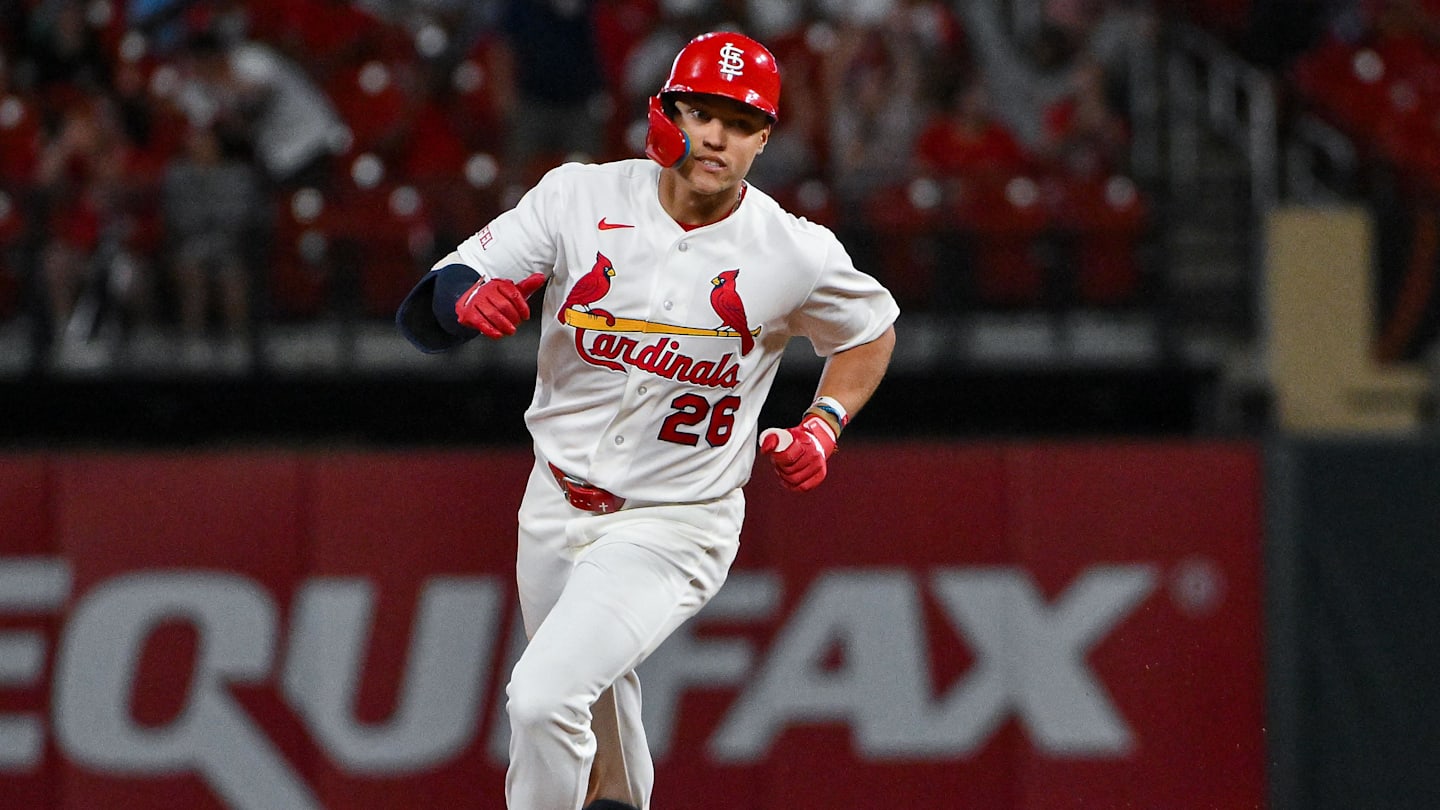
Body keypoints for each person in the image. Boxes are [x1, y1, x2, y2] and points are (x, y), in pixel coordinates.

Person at [395, 31, 898, 810]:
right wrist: (465, 299)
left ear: (764, 138)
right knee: (596, 716)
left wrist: (825, 420)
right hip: (553, 504)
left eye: (739, 122)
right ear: (666, 115)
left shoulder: (791, 251)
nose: (716, 136)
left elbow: (871, 328)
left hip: (676, 521)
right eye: (701, 113)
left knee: (541, 698)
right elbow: (435, 297)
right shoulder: (579, 199)